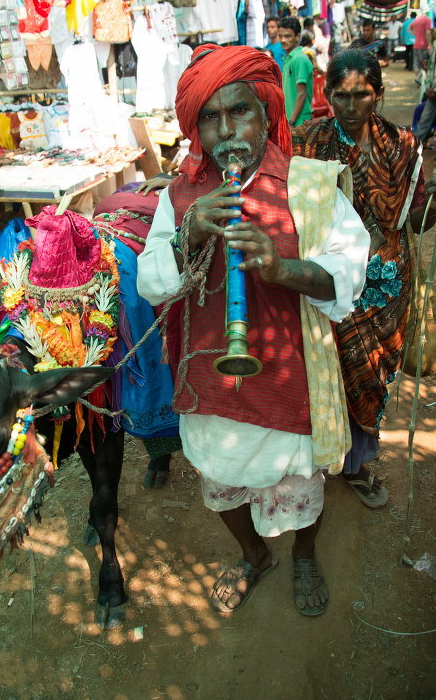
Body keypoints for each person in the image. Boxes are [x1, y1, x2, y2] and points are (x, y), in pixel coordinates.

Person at [137, 45, 370, 617]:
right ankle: (252, 554)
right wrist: (186, 234)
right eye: (209, 119)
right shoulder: (179, 195)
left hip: (291, 378)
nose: (225, 132)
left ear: (266, 112)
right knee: (220, 477)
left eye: (238, 112)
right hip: (212, 383)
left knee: (299, 482)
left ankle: (304, 552)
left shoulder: (310, 186)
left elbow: (351, 268)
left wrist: (281, 268)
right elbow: (151, 283)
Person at [292, 48, 436, 507]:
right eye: (341, 96)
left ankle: (356, 463)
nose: (351, 107)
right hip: (332, 279)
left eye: (362, 95)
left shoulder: (403, 144)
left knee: (372, 373)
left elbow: (413, 222)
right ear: (327, 93)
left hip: (386, 284)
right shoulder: (306, 141)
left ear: (379, 93)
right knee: (330, 365)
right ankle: (325, 455)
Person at [278, 16, 313, 127]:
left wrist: (291, 122)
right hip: (292, 122)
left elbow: (302, 94)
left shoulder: (299, 59)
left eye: (287, 36)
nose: (283, 40)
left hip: (299, 123)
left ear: (297, 36)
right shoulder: (288, 59)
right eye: (281, 36)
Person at [414, 45, 436, 145]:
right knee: (424, 120)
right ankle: (412, 150)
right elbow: (431, 69)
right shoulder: (435, 44)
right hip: (432, 92)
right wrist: (428, 87)